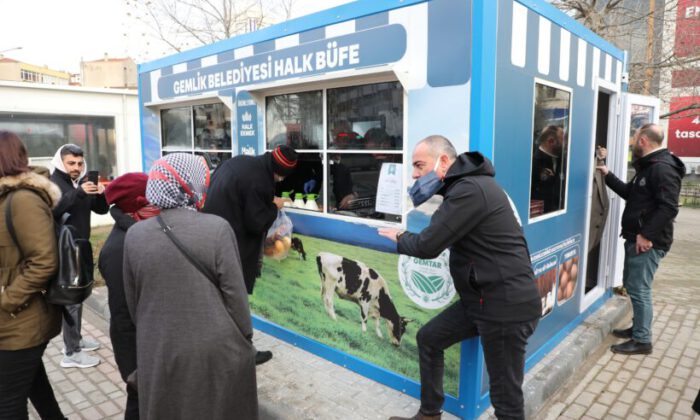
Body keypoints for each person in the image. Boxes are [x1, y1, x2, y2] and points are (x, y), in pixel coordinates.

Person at [378, 135, 540, 420]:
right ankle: (430, 414)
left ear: (443, 161)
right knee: (429, 338)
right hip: (480, 302)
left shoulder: (469, 190)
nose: (414, 174)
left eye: (419, 165)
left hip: (504, 306)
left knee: (506, 401)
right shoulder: (466, 188)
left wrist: (400, 237)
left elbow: (428, 245)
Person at [123, 153, 257, 420]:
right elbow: (235, 296)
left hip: (158, 346)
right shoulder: (217, 229)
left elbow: (133, 299)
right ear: (192, 184)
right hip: (213, 349)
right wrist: (246, 337)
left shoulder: (134, 234)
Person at [203, 145, 297, 365]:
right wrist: (275, 206)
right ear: (280, 172)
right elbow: (256, 223)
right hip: (231, 243)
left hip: (212, 234)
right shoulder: (262, 180)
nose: (280, 181)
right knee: (235, 298)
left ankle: (217, 347)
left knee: (219, 296)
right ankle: (244, 353)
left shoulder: (242, 162)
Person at [597, 123, 685, 355]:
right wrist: (607, 174)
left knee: (639, 289)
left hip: (647, 243)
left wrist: (646, 235)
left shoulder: (661, 169)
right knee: (633, 285)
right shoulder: (649, 167)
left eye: (634, 138)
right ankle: (638, 329)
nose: (632, 142)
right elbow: (632, 194)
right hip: (638, 239)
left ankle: (643, 340)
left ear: (644, 141)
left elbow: (669, 208)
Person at [0, 130, 65, 419]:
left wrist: (7, 301)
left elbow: (44, 261)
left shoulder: (23, 200)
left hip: (21, 319)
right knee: (33, 385)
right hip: (14, 320)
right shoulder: (6, 197)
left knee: (8, 404)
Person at [99, 173, 160, 420]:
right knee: (139, 402)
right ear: (136, 208)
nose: (161, 208)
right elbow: (123, 316)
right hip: (137, 351)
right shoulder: (118, 250)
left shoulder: (139, 233)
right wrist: (133, 370)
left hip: (151, 344)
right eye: (154, 203)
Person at [50, 144, 108, 369]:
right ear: (60, 162)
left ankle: (77, 340)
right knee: (71, 299)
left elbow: (101, 210)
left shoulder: (81, 183)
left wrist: (101, 194)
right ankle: (71, 352)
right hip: (64, 250)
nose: (76, 168)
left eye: (80, 163)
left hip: (80, 247)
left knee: (80, 295)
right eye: (71, 163)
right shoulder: (53, 183)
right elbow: (54, 210)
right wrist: (79, 192)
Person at [531, 125, 565, 213]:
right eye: (563, 139)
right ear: (551, 141)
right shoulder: (534, 162)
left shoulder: (563, 158)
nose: (566, 143)